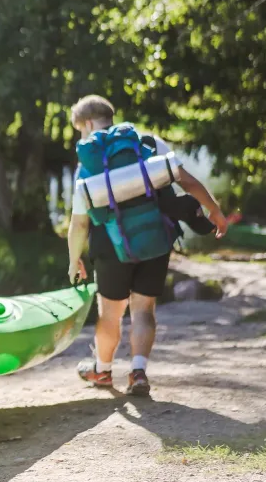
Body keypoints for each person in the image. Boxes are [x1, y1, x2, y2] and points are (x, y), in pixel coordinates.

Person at [66, 95, 227, 397]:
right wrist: (213, 210)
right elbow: (186, 181)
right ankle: (138, 372)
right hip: (155, 239)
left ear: (87, 123)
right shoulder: (149, 143)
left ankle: (102, 370)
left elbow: (80, 223)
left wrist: (74, 259)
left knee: (110, 314)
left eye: (81, 130)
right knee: (144, 311)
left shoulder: (88, 163)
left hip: (111, 247)